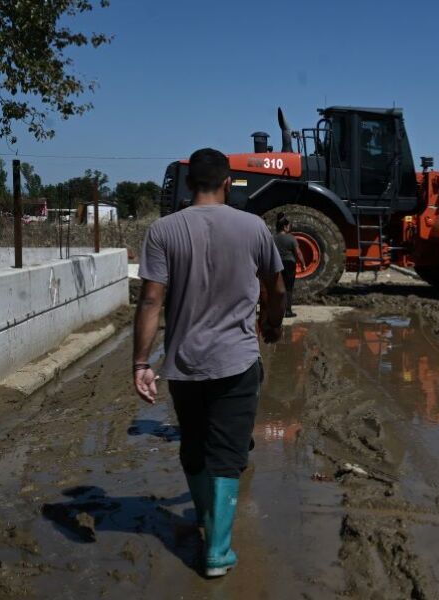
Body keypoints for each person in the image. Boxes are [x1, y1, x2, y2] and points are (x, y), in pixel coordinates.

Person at [132, 148, 287, 578]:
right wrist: (273, 325)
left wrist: (141, 362)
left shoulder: (162, 231)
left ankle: (204, 519)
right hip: (237, 362)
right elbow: (275, 288)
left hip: (183, 364)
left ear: (187, 185)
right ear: (227, 184)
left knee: (195, 444)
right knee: (228, 452)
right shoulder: (254, 228)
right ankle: (217, 550)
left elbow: (150, 299)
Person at [273, 215, 305, 318]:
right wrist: (303, 263)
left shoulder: (272, 238)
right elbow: (298, 252)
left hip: (276, 264)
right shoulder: (291, 238)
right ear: (285, 227)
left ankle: (276, 310)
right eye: (288, 225)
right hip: (289, 264)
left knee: (276, 287)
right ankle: (288, 311)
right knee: (288, 288)